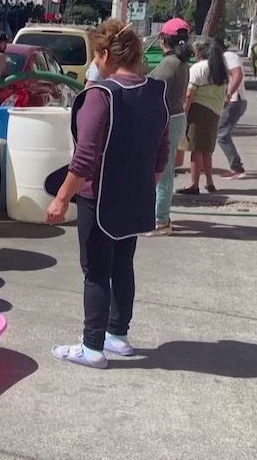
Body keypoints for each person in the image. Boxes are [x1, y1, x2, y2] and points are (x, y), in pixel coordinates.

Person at [46, 18, 169, 369]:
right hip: (136, 197)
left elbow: (84, 160)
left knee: (96, 272)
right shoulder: (156, 93)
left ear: (103, 54)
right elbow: (162, 154)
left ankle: (92, 347)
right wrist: (144, 188)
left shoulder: (101, 97)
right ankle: (118, 334)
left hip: (98, 199)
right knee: (122, 266)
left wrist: (60, 199)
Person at [144, 18, 192, 236]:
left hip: (167, 120)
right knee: (165, 169)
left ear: (162, 39)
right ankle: (160, 216)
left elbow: (152, 90)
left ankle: (160, 220)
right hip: (176, 117)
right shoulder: (180, 62)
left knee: (162, 171)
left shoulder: (169, 64)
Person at [177, 38, 229, 194]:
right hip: (215, 112)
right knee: (207, 149)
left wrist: (184, 113)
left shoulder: (198, 68)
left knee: (196, 149)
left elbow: (189, 95)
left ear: (200, 51)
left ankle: (194, 184)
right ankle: (209, 181)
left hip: (198, 111)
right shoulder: (220, 69)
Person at [216, 38, 247, 179]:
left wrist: (228, 95)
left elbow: (237, 75)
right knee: (221, 133)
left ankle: (237, 168)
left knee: (222, 135)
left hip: (234, 101)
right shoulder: (224, 59)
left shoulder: (228, 56)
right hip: (234, 101)